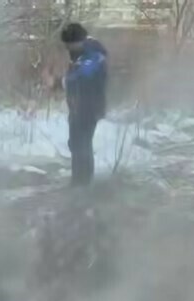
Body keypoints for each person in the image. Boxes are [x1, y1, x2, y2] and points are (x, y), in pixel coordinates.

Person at [58, 23, 108, 186]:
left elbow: (84, 74)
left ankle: (83, 184)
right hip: (77, 106)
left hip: (90, 107)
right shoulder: (79, 53)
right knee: (75, 143)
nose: (68, 49)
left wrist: (62, 82)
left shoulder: (94, 53)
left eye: (69, 45)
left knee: (82, 145)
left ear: (79, 40)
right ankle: (78, 181)